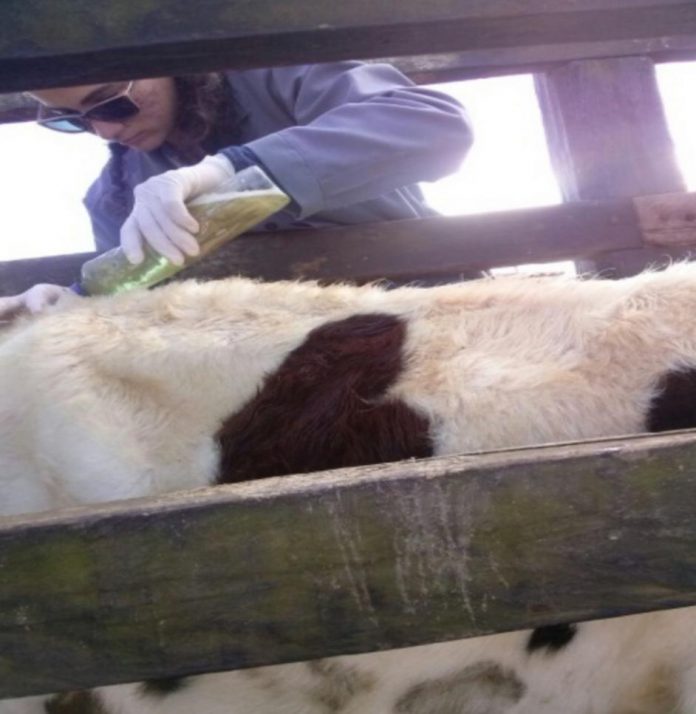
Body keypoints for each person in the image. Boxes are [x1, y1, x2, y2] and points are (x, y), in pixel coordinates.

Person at [0, 61, 473, 316]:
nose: (104, 131)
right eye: (72, 121)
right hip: (283, 361)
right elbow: (133, 314)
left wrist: (236, 168)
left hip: (425, 305)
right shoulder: (114, 197)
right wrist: (74, 300)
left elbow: (435, 126)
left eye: (112, 104)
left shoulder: (274, 71)